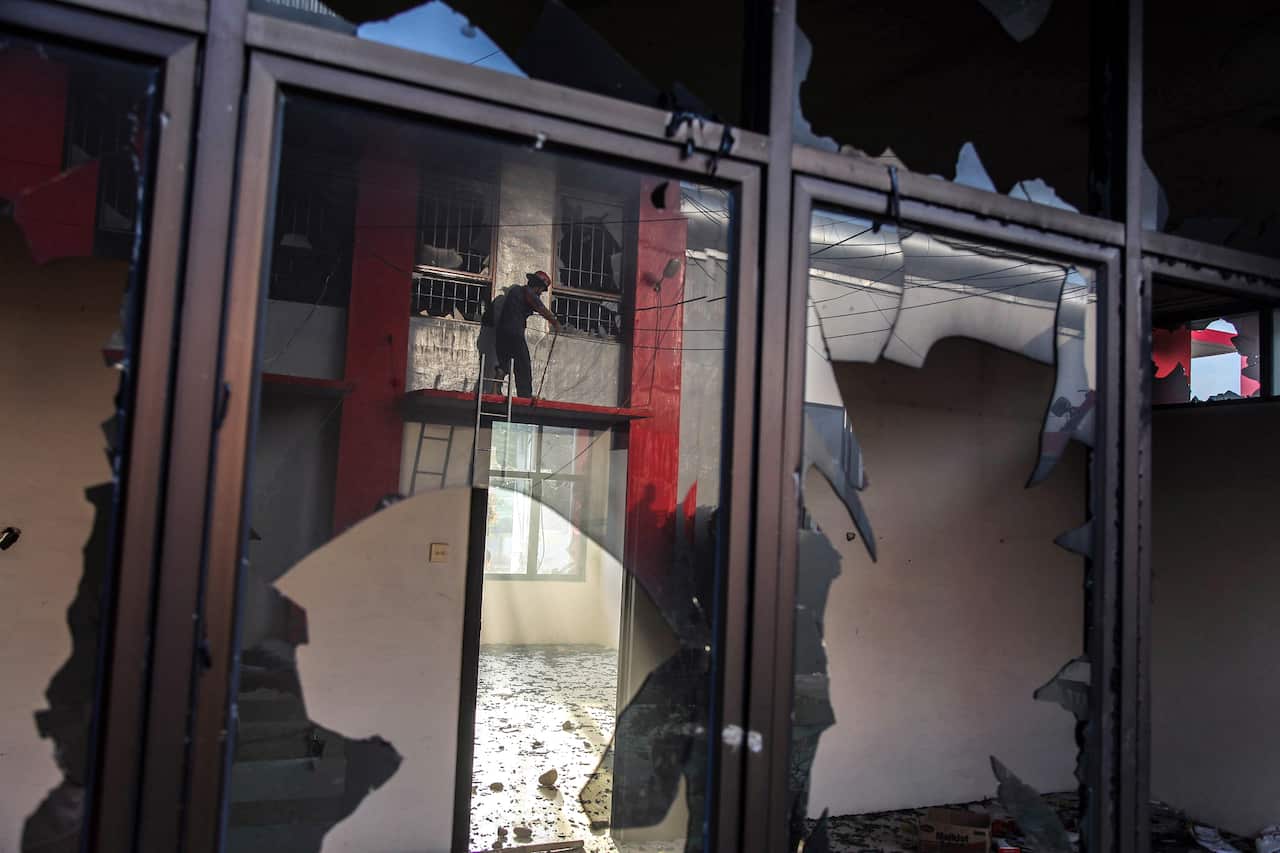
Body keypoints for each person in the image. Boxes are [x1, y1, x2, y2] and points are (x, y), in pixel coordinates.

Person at [494, 270, 560, 398]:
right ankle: (525, 395)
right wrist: (554, 321)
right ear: (537, 285)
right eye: (541, 289)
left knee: (504, 363)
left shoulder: (515, 293)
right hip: (514, 333)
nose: (541, 293)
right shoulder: (525, 292)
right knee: (523, 364)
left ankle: (495, 389)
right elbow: (539, 307)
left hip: (501, 334)